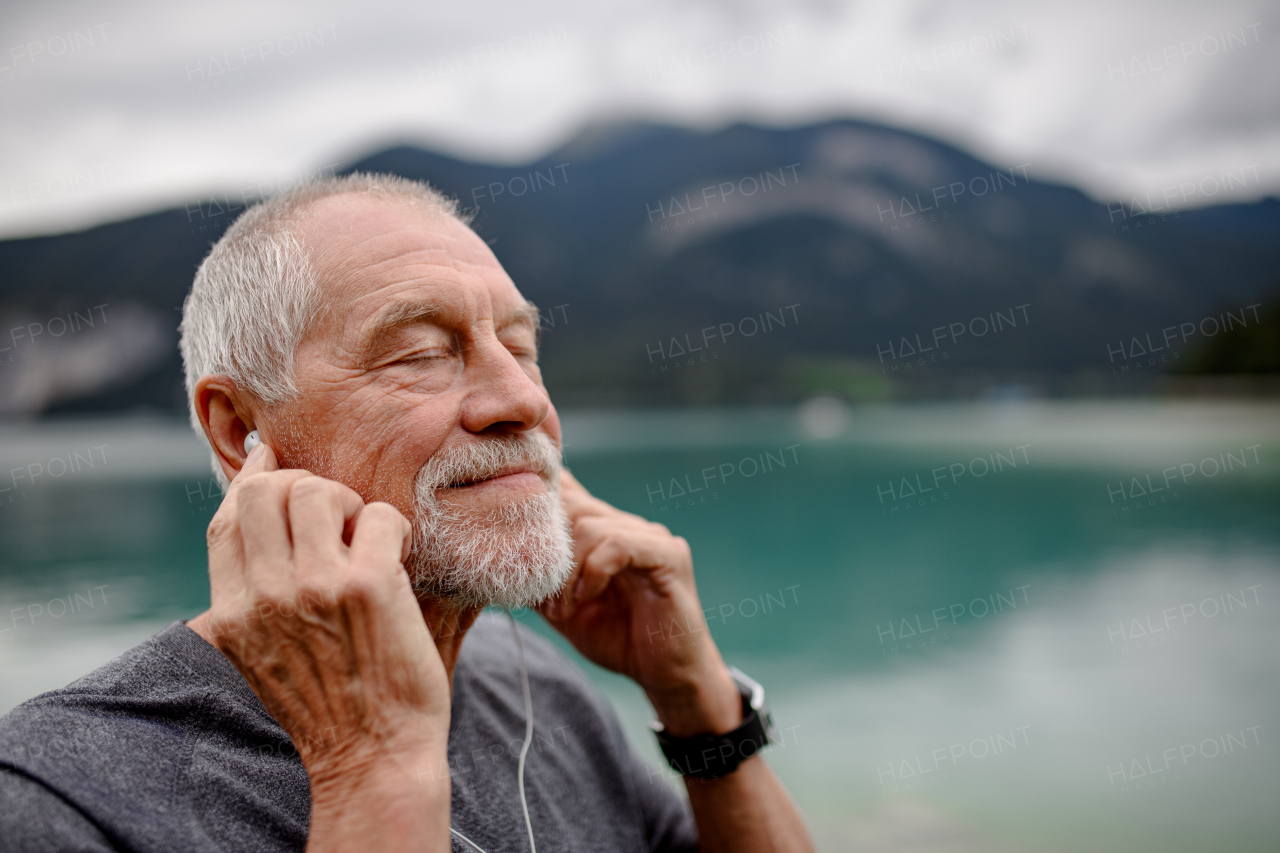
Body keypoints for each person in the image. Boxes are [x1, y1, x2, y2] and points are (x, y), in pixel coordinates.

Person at [0, 174, 814, 853]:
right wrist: (371, 767)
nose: (523, 399)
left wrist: (701, 710)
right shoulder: (53, 799)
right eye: (421, 352)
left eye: (522, 347)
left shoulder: (538, 686)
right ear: (239, 428)